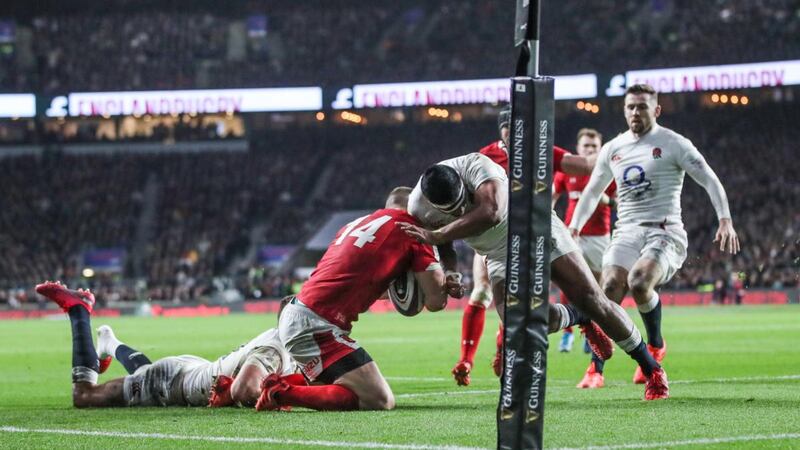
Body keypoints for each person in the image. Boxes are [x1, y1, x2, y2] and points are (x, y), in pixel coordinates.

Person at [402, 142, 669, 400]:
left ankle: (652, 369)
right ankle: (578, 317)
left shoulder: (476, 165)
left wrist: (436, 235)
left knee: (593, 298)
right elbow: (444, 242)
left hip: (534, 227)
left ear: (463, 182)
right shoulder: (418, 207)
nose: (460, 210)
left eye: (463, 201)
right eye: (452, 211)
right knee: (518, 323)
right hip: (498, 253)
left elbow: (491, 212)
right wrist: (451, 274)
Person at [569, 83, 740, 384]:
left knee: (639, 282)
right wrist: (574, 227)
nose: (636, 112)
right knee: (608, 289)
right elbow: (592, 192)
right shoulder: (613, 148)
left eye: (642, 106)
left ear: (656, 110)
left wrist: (724, 220)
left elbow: (710, 180)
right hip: (626, 232)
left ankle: (656, 345)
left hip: (665, 231)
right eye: (631, 107)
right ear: (624, 110)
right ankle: (596, 369)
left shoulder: (674, 143)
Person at [256, 187, 459, 412]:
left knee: (333, 384)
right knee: (379, 399)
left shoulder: (356, 224)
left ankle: (260, 386)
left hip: (300, 313)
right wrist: (446, 280)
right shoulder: (411, 229)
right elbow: (435, 301)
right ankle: (279, 392)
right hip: (317, 325)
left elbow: (366, 283)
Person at [35, 281, 296, 408]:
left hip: (192, 371)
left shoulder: (291, 346)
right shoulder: (276, 348)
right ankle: (79, 310)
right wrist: (288, 400)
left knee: (144, 373)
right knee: (84, 396)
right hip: (172, 383)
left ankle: (108, 343)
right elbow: (245, 389)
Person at [553, 128, 616, 388]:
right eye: (586, 146)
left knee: (600, 296)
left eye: (594, 145)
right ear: (578, 149)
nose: (590, 150)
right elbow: (552, 196)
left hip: (600, 238)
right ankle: (569, 332)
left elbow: (620, 201)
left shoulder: (609, 171)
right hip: (571, 235)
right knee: (567, 284)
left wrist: (606, 200)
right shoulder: (566, 172)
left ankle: (596, 345)